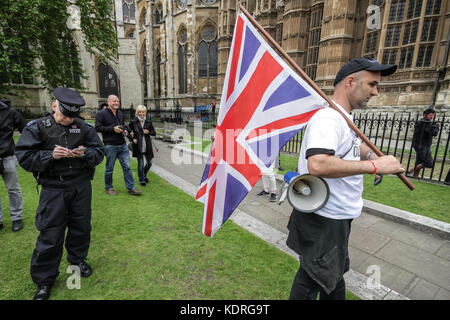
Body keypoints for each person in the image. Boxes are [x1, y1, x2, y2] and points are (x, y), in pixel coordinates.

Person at [286, 57, 405, 300]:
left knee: (331, 276)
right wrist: (374, 166)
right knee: (313, 280)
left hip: (335, 217)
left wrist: (370, 153)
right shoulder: (329, 118)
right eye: (372, 84)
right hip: (325, 220)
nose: (376, 92)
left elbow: (350, 146)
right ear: (350, 82)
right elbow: (318, 163)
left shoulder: (342, 117)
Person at [15, 87, 105, 300]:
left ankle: (77, 260)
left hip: (81, 187)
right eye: (64, 116)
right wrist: (49, 156)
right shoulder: (37, 127)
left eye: (71, 117)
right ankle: (44, 280)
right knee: (50, 233)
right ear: (54, 105)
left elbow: (99, 152)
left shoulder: (83, 127)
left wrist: (84, 154)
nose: (67, 120)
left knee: (81, 227)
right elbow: (24, 157)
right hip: (54, 188)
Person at [95, 95, 142, 196]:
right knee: (109, 168)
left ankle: (131, 188)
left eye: (117, 101)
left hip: (122, 145)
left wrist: (127, 132)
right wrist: (112, 129)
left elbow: (123, 126)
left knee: (127, 167)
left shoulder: (120, 113)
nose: (116, 103)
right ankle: (109, 188)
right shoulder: (101, 114)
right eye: (114, 101)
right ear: (108, 102)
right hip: (110, 145)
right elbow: (98, 128)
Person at [0, 98, 26, 232]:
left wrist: (21, 149)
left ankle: (16, 217)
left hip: (7, 156)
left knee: (13, 189)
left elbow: (26, 131)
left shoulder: (11, 113)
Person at [128, 105, 156, 186]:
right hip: (138, 146)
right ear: (137, 112)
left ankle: (143, 175)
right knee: (140, 164)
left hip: (147, 145)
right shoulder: (133, 121)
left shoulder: (149, 122)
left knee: (150, 163)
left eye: (143, 112)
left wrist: (148, 132)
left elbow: (154, 133)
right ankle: (141, 180)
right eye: (139, 112)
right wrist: (132, 139)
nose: (141, 113)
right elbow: (126, 131)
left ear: (145, 112)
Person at [408, 108, 439, 178]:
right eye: (430, 115)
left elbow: (427, 130)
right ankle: (410, 170)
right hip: (423, 146)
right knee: (429, 163)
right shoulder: (426, 123)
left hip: (418, 145)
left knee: (419, 161)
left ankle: (415, 176)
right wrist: (436, 125)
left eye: (433, 116)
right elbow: (434, 133)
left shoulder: (421, 122)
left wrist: (433, 124)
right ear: (425, 115)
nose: (432, 117)